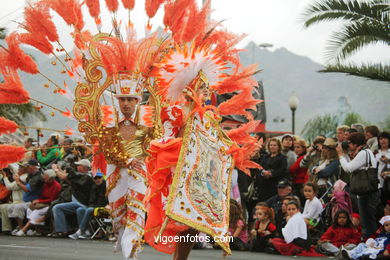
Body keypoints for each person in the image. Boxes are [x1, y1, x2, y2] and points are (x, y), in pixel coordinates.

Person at [337, 132, 380, 239]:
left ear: (356, 143)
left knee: (367, 220)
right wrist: (346, 155)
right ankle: (369, 242)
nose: (348, 145)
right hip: (367, 191)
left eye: (349, 143)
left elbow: (348, 168)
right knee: (367, 219)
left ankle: (369, 243)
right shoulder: (365, 152)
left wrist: (341, 155)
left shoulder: (363, 153)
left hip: (367, 192)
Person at [50, 159, 93, 238]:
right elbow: (68, 179)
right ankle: (63, 230)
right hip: (78, 203)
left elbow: (63, 177)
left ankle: (63, 230)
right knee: (57, 207)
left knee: (57, 207)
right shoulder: (82, 176)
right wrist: (59, 169)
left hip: (83, 203)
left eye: (79, 165)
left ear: (84, 167)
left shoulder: (86, 176)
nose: (77, 167)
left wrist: (55, 170)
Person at [15, 169, 61, 236]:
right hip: (43, 203)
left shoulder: (57, 186)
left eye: (45, 177)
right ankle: (38, 230)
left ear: (51, 178)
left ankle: (24, 229)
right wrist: (37, 201)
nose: (43, 178)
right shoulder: (45, 184)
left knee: (36, 212)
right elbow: (41, 195)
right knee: (30, 209)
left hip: (51, 204)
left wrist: (39, 201)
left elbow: (52, 199)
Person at [68, 171, 108, 240]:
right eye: (95, 178)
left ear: (102, 178)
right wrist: (91, 206)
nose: (97, 179)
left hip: (103, 207)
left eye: (99, 177)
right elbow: (91, 200)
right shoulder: (93, 186)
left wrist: (92, 207)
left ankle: (80, 231)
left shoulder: (106, 186)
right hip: (92, 206)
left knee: (89, 209)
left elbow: (104, 200)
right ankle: (86, 232)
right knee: (80, 210)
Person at [8, 159, 43, 234]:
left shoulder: (37, 177)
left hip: (36, 201)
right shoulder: (31, 175)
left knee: (18, 207)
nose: (26, 168)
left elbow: (27, 189)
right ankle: (22, 228)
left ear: (32, 167)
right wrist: (19, 180)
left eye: (28, 166)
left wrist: (18, 182)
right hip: (29, 201)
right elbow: (26, 184)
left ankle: (23, 229)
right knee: (12, 207)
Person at [0, 164, 26, 234]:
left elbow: (9, 187)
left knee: (3, 207)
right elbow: (14, 170)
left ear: (24, 169)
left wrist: (5, 177)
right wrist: (8, 164)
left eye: (20, 168)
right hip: (16, 202)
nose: (18, 170)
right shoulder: (20, 176)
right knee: (3, 207)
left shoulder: (23, 177)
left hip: (22, 202)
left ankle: (10, 229)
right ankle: (7, 229)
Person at [376, 132, 390, 197]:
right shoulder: (375, 153)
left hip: (388, 182)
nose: (383, 140)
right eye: (381, 139)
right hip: (377, 183)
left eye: (385, 138)